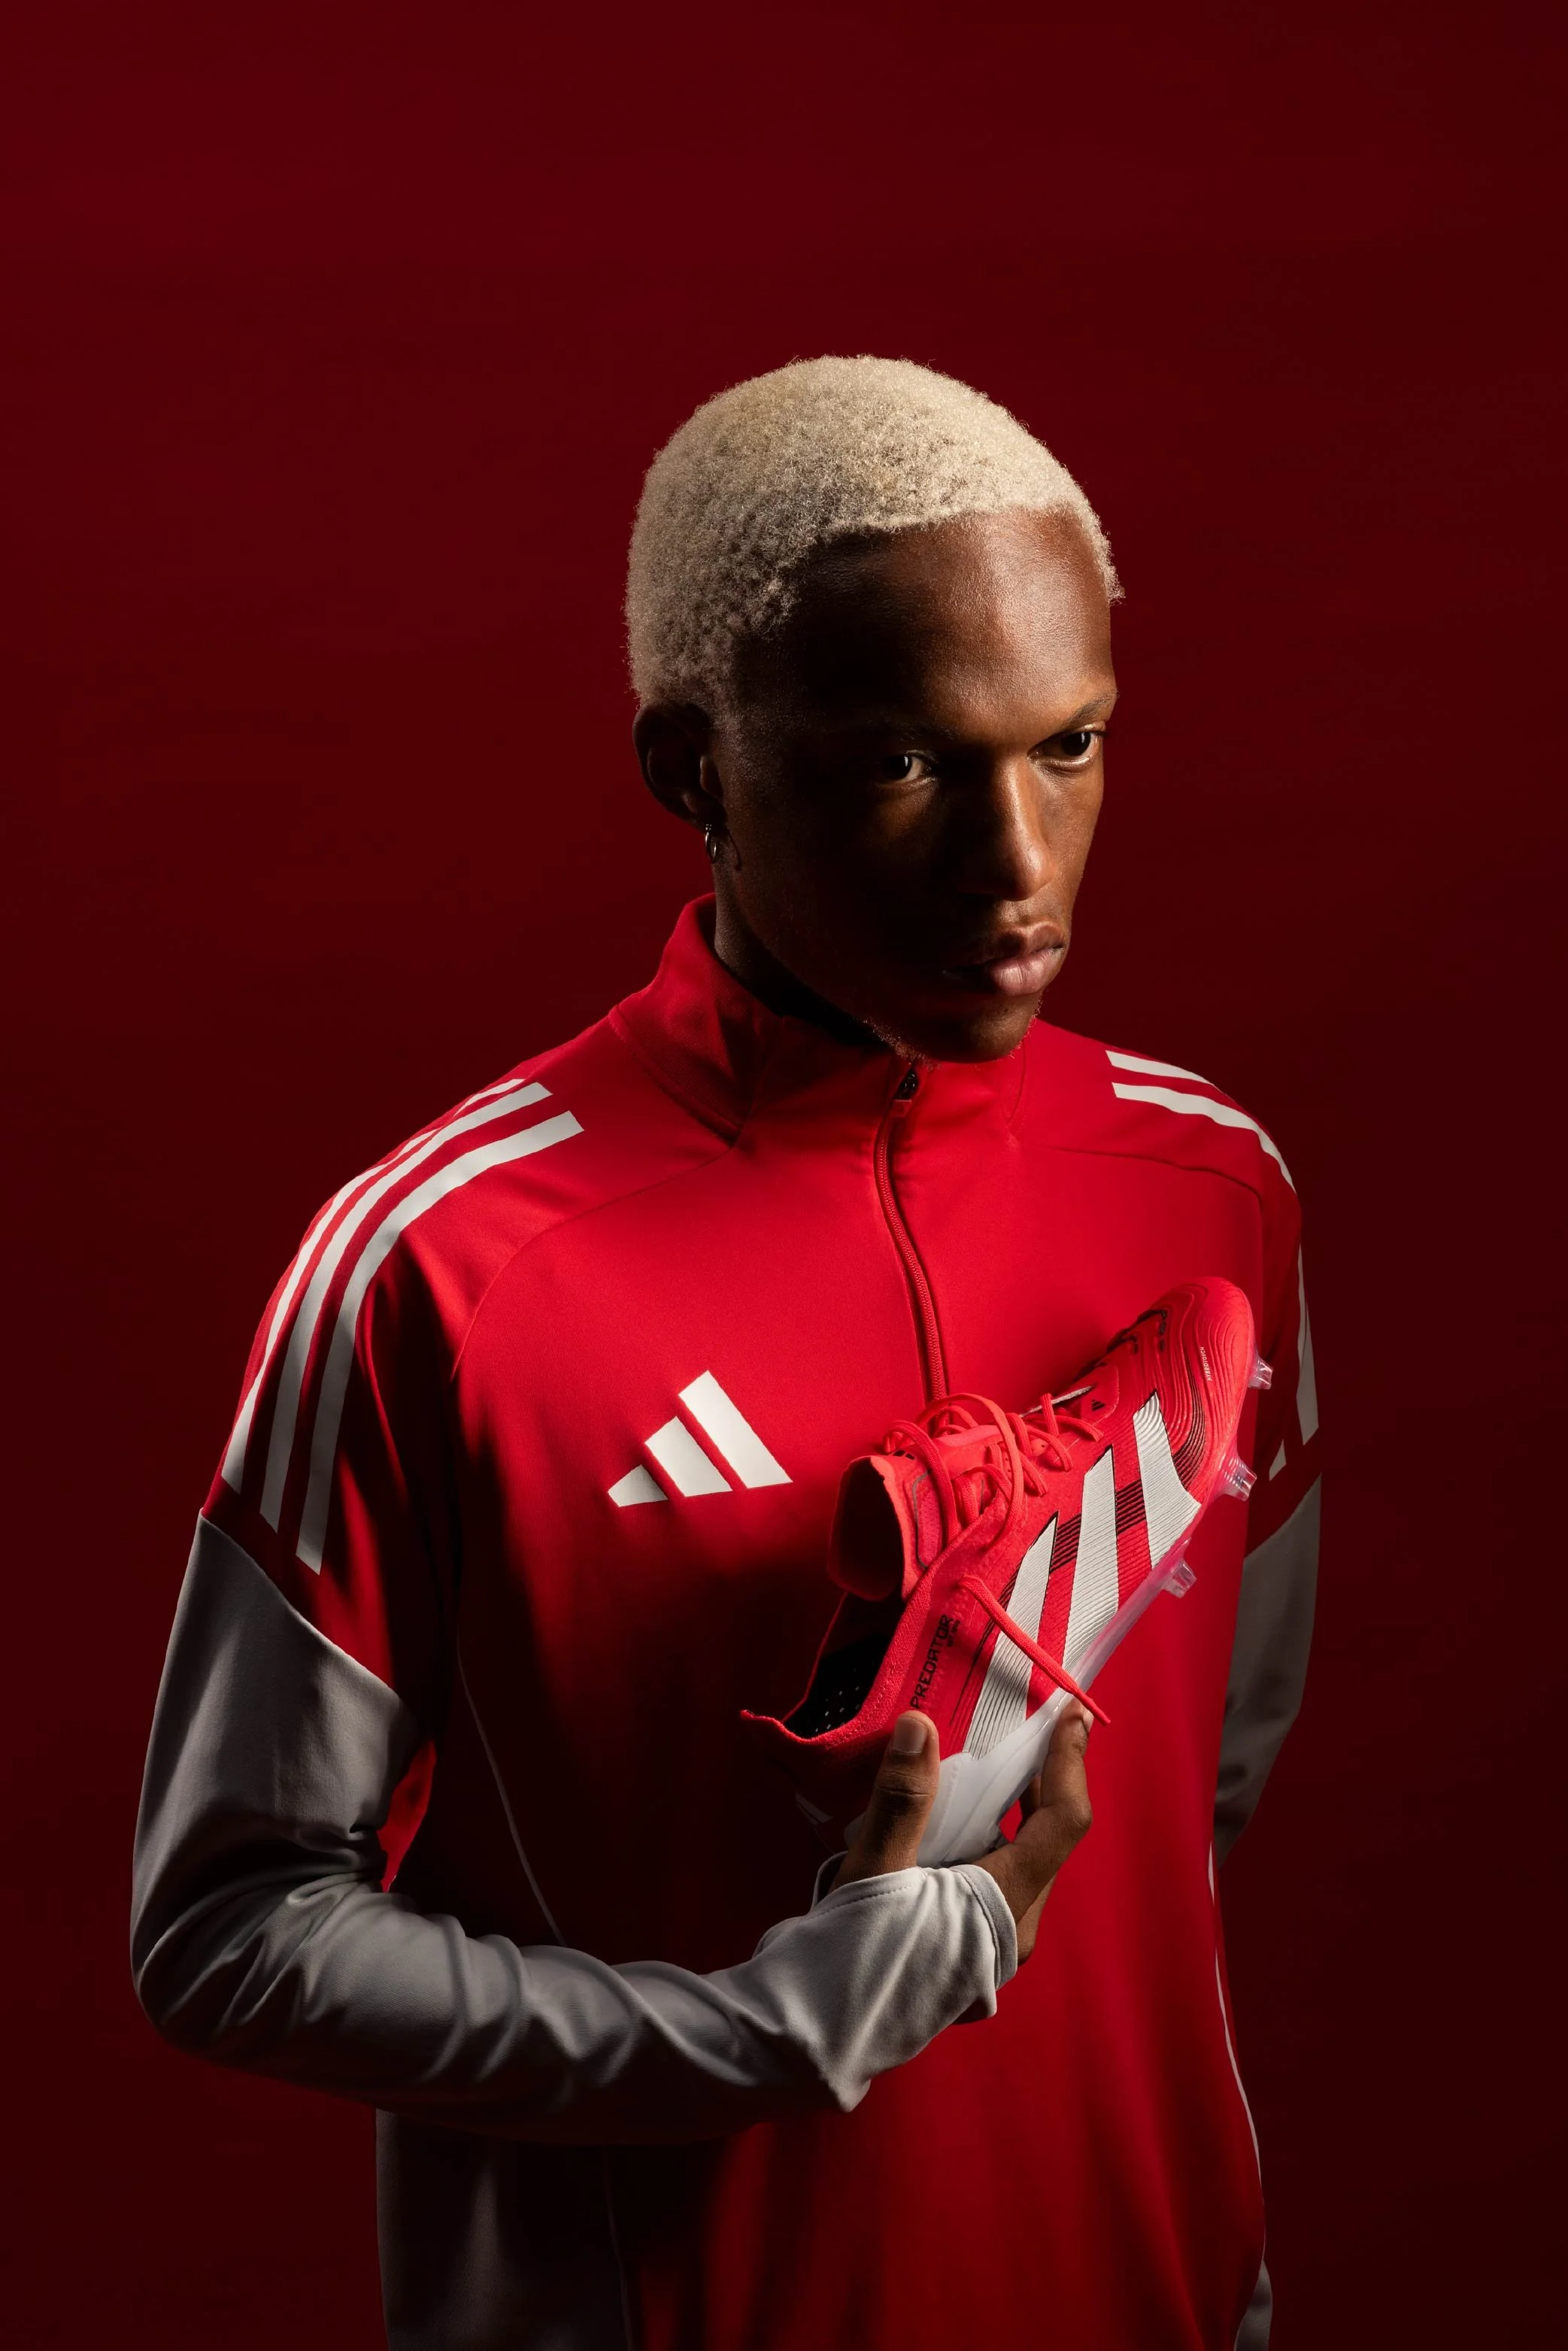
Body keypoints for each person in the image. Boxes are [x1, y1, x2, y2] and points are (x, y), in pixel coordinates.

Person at [132, 357, 1320, 2351]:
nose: (1016, 865)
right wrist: (747, 2034)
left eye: (1071, 742)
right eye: (902, 765)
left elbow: (1196, 1790)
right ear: (690, 767)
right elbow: (227, 1929)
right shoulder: (442, 1265)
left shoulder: (1214, 1190)